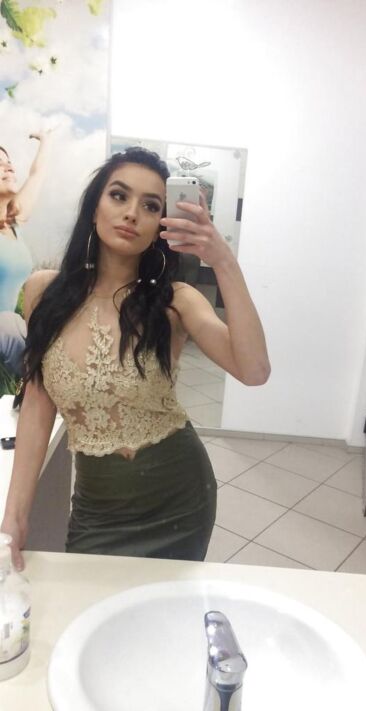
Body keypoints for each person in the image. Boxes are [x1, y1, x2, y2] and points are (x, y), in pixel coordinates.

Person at [0, 146, 270, 570]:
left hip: (178, 499)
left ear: (161, 225)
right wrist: (14, 517)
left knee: (160, 610)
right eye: (119, 195)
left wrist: (223, 260)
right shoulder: (43, 292)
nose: (131, 213)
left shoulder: (176, 301)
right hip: (98, 507)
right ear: (94, 207)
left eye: (151, 205)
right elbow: (37, 404)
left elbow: (254, 371)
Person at [0, 132, 53, 383]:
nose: (8, 167)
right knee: (10, 325)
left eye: (8, 162)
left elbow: (37, 174)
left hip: (8, 332)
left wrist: (46, 141)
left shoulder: (14, 222)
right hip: (5, 328)